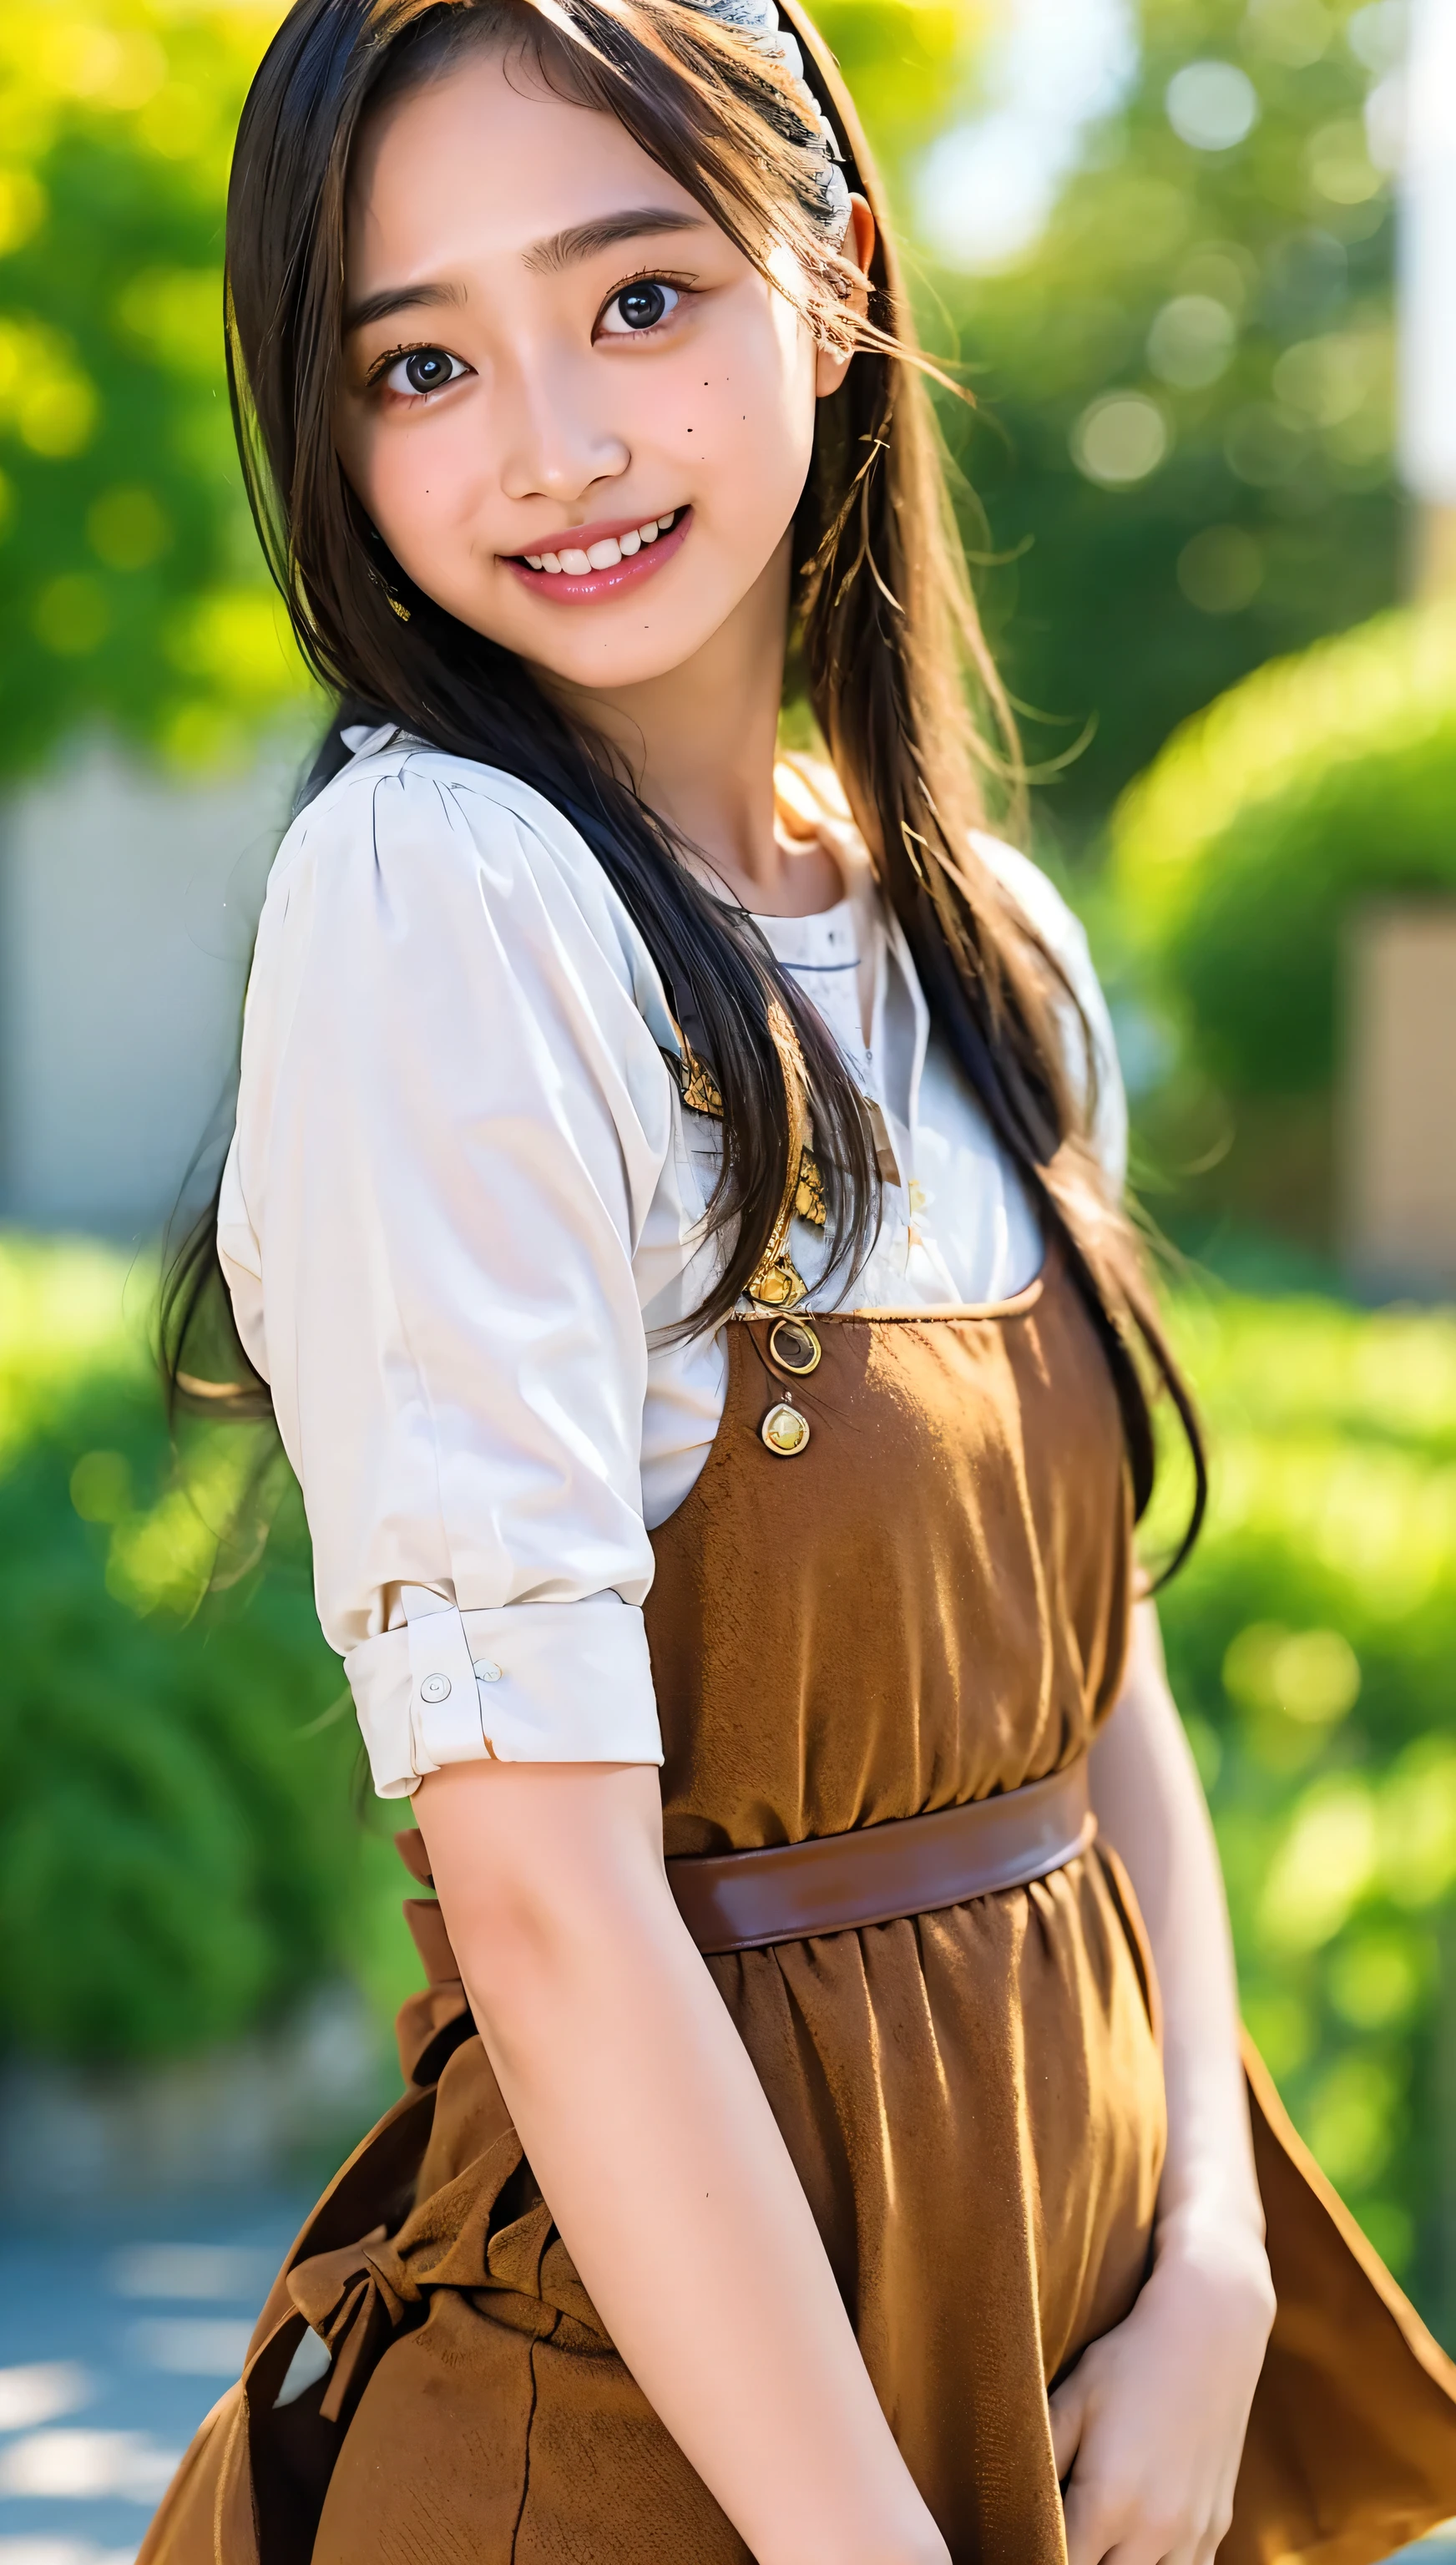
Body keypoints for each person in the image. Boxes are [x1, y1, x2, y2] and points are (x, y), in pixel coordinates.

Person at [142, 1, 1456, 2558]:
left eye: (637, 296)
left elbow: (1110, 1683)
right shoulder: (454, 908)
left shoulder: (985, 941)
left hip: (1068, 2381)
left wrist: (1212, 2261)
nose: (553, 441)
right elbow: (540, 1886)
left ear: (832, 280)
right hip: (680, 2456)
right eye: (423, 358)